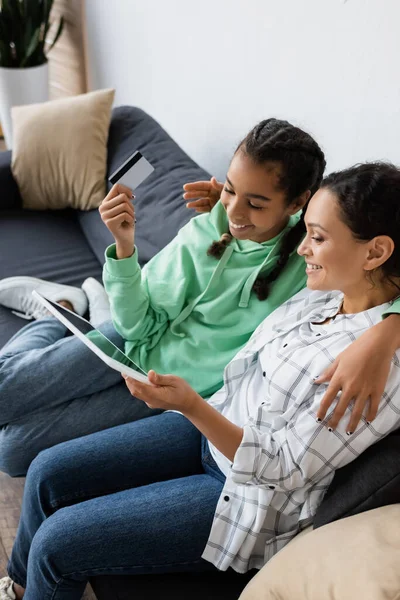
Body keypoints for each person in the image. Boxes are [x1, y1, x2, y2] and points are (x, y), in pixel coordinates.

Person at [2, 161, 400, 600]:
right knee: (45, 471)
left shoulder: (376, 371)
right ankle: (17, 588)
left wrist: (190, 404)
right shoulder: (325, 291)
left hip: (244, 496)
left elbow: (283, 469)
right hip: (210, 422)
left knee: (57, 544)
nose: (303, 247)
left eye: (318, 238)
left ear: (376, 252)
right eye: (306, 232)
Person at [0, 120, 399, 478]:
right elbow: (137, 323)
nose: (234, 211)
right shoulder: (205, 229)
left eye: (256, 202)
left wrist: (387, 334)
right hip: (128, 337)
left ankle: (72, 309)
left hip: (172, 389)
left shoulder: (311, 263)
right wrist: (124, 247)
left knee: (14, 450)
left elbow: (381, 273)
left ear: (298, 203)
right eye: (229, 189)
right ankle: (65, 313)